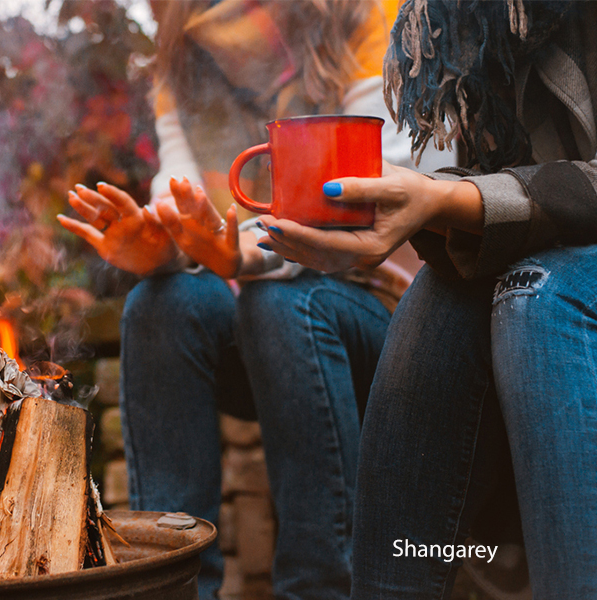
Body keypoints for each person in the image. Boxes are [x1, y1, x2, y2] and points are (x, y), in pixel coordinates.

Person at [57, 1, 452, 598]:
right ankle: (169, 584)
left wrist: (242, 256)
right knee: (160, 302)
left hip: (391, 320)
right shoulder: (183, 55)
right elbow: (185, 205)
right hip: (263, 326)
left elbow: (385, 192)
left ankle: (323, 588)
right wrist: (161, 249)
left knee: (284, 303)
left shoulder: (373, 18)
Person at [254, 0, 597, 596]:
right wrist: (425, 210)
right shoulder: (468, 20)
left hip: (551, 274)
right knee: (436, 301)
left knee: (536, 297)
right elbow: (496, 179)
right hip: (545, 239)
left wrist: (442, 204)